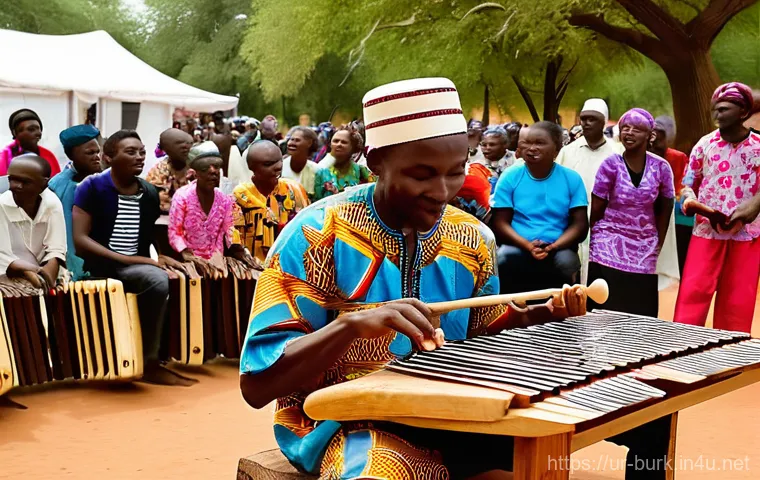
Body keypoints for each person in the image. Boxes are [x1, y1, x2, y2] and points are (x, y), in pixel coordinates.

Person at [239, 77, 669, 480]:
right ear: (376, 162)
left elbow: (485, 333)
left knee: (650, 416)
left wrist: (542, 316)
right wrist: (351, 325)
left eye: (455, 171)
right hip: (348, 422)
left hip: (456, 411)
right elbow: (258, 385)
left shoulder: (472, 237)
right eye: (422, 174)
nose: (444, 191)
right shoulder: (315, 235)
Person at [72, 130, 195, 386]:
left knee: (183, 277)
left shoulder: (148, 192)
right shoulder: (92, 187)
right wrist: (132, 261)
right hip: (102, 266)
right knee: (156, 280)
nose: (139, 157)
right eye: (130, 152)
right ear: (108, 157)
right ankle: (148, 363)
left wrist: (159, 256)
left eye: (142, 152)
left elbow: (147, 233)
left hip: (136, 265)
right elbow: (80, 241)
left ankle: (164, 356)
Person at [674, 82, 760, 333]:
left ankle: (730, 360)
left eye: (724, 109)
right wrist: (690, 201)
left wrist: (752, 208)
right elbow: (687, 183)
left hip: (746, 235)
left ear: (743, 112)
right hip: (706, 232)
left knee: (737, 302)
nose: (717, 114)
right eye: (716, 109)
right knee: (692, 297)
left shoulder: (758, 148)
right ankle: (682, 352)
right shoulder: (704, 145)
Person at [589, 108, 675, 317]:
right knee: (604, 304)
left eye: (637, 129)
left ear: (650, 135)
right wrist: (596, 236)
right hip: (609, 237)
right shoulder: (610, 165)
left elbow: (666, 206)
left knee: (639, 310)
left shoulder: (661, 168)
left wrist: (658, 241)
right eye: (625, 128)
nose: (629, 133)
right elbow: (597, 205)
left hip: (644, 240)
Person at [490, 121, 588, 294]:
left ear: (557, 149)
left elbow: (580, 225)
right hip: (518, 245)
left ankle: (561, 315)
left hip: (559, 247)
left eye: (539, 143)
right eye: (527, 143)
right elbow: (499, 222)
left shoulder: (572, 179)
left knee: (567, 263)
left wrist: (553, 246)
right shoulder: (510, 176)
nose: (532, 148)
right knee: (503, 259)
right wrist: (528, 245)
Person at [555, 99, 622, 284]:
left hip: (606, 224)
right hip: (572, 222)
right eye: (583, 118)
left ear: (604, 122)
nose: (586, 123)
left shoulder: (617, 153)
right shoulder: (568, 152)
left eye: (593, 119)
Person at [168, 141, 252, 271]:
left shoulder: (224, 200)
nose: (213, 171)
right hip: (188, 264)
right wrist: (186, 254)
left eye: (216, 167)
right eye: (204, 168)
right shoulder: (181, 197)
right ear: (195, 173)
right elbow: (175, 232)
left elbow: (230, 230)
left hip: (216, 263)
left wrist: (241, 251)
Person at [233, 141, 309, 263]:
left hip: (290, 265)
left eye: (280, 161)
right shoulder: (241, 195)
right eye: (268, 164)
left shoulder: (294, 190)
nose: (278, 167)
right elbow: (235, 239)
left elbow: (307, 229)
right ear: (252, 167)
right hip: (252, 268)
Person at [0, 155, 65, 289]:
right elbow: (2, 255)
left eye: (25, 182)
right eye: (12, 179)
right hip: (8, 273)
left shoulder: (52, 204)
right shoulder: (2, 205)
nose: (16, 186)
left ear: (43, 184)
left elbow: (56, 249)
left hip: (43, 270)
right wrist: (32, 271)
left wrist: (48, 279)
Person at [49, 124, 103, 281]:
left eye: (97, 152)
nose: (96, 157)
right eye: (89, 153)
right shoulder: (61, 187)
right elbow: (66, 233)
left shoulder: (102, 178)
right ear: (72, 156)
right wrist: (76, 270)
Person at [650, 116, 693, 274]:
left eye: (661, 136)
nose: (656, 142)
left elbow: (683, 185)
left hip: (673, 210)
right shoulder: (639, 156)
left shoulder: (677, 157)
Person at [313, 125, 374, 200]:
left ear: (353, 148)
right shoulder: (321, 171)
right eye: (335, 141)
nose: (339, 144)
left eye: (344, 142)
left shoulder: (361, 171)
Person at [1, 109, 61, 177]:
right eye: (31, 129)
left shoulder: (48, 155)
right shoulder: (4, 157)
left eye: (39, 129)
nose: (38, 133)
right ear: (15, 133)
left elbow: (57, 182)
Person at [146, 128, 193, 214]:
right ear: (166, 149)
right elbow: (153, 200)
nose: (185, 147)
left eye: (189, 143)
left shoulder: (197, 169)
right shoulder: (157, 172)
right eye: (178, 143)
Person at [281, 127, 323, 200]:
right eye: (291, 139)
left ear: (309, 143)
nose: (291, 143)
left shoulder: (317, 171)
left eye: (297, 140)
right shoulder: (280, 166)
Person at [473, 126, 516, 191]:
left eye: (492, 145)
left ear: (505, 145)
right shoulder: (475, 165)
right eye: (484, 145)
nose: (487, 148)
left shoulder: (516, 159)